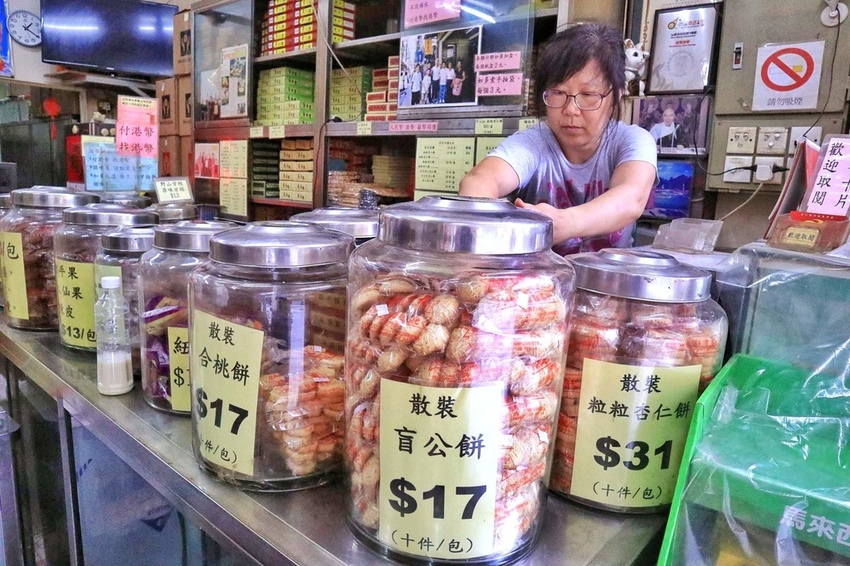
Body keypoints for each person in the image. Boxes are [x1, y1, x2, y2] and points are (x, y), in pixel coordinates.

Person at [458, 23, 657, 255]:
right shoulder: (534, 142)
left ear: (616, 97)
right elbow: (478, 181)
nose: (571, 109)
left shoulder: (633, 141)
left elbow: (631, 198)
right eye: (558, 93)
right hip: (537, 286)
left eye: (589, 95)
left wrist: (564, 223)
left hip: (608, 284)